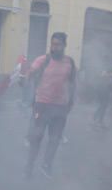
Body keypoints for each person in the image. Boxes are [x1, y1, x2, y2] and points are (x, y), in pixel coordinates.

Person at [25, 32, 76, 178]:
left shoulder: (70, 62)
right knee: (37, 138)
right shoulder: (43, 60)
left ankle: (46, 165)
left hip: (60, 107)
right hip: (42, 105)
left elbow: (73, 83)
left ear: (64, 45)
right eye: (53, 44)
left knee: (54, 139)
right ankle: (29, 167)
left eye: (58, 44)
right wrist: (26, 77)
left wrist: (71, 101)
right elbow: (31, 70)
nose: (55, 47)